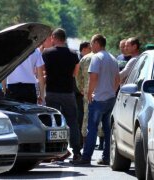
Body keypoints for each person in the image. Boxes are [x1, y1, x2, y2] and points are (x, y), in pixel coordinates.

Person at [76, 34, 120, 165]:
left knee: (92, 128)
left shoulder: (96, 57)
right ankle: (106, 157)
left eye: (91, 43)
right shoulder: (113, 58)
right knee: (107, 129)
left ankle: (86, 157)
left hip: (98, 99)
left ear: (97, 42)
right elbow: (118, 79)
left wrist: (89, 93)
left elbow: (93, 77)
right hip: (110, 99)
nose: (90, 46)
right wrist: (112, 91)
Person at [42, 28, 81, 163]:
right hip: (68, 92)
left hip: (52, 92)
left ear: (54, 37)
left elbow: (43, 72)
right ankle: (77, 152)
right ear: (64, 39)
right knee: (72, 122)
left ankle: (56, 152)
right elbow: (75, 73)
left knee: (53, 124)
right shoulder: (73, 54)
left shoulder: (46, 53)